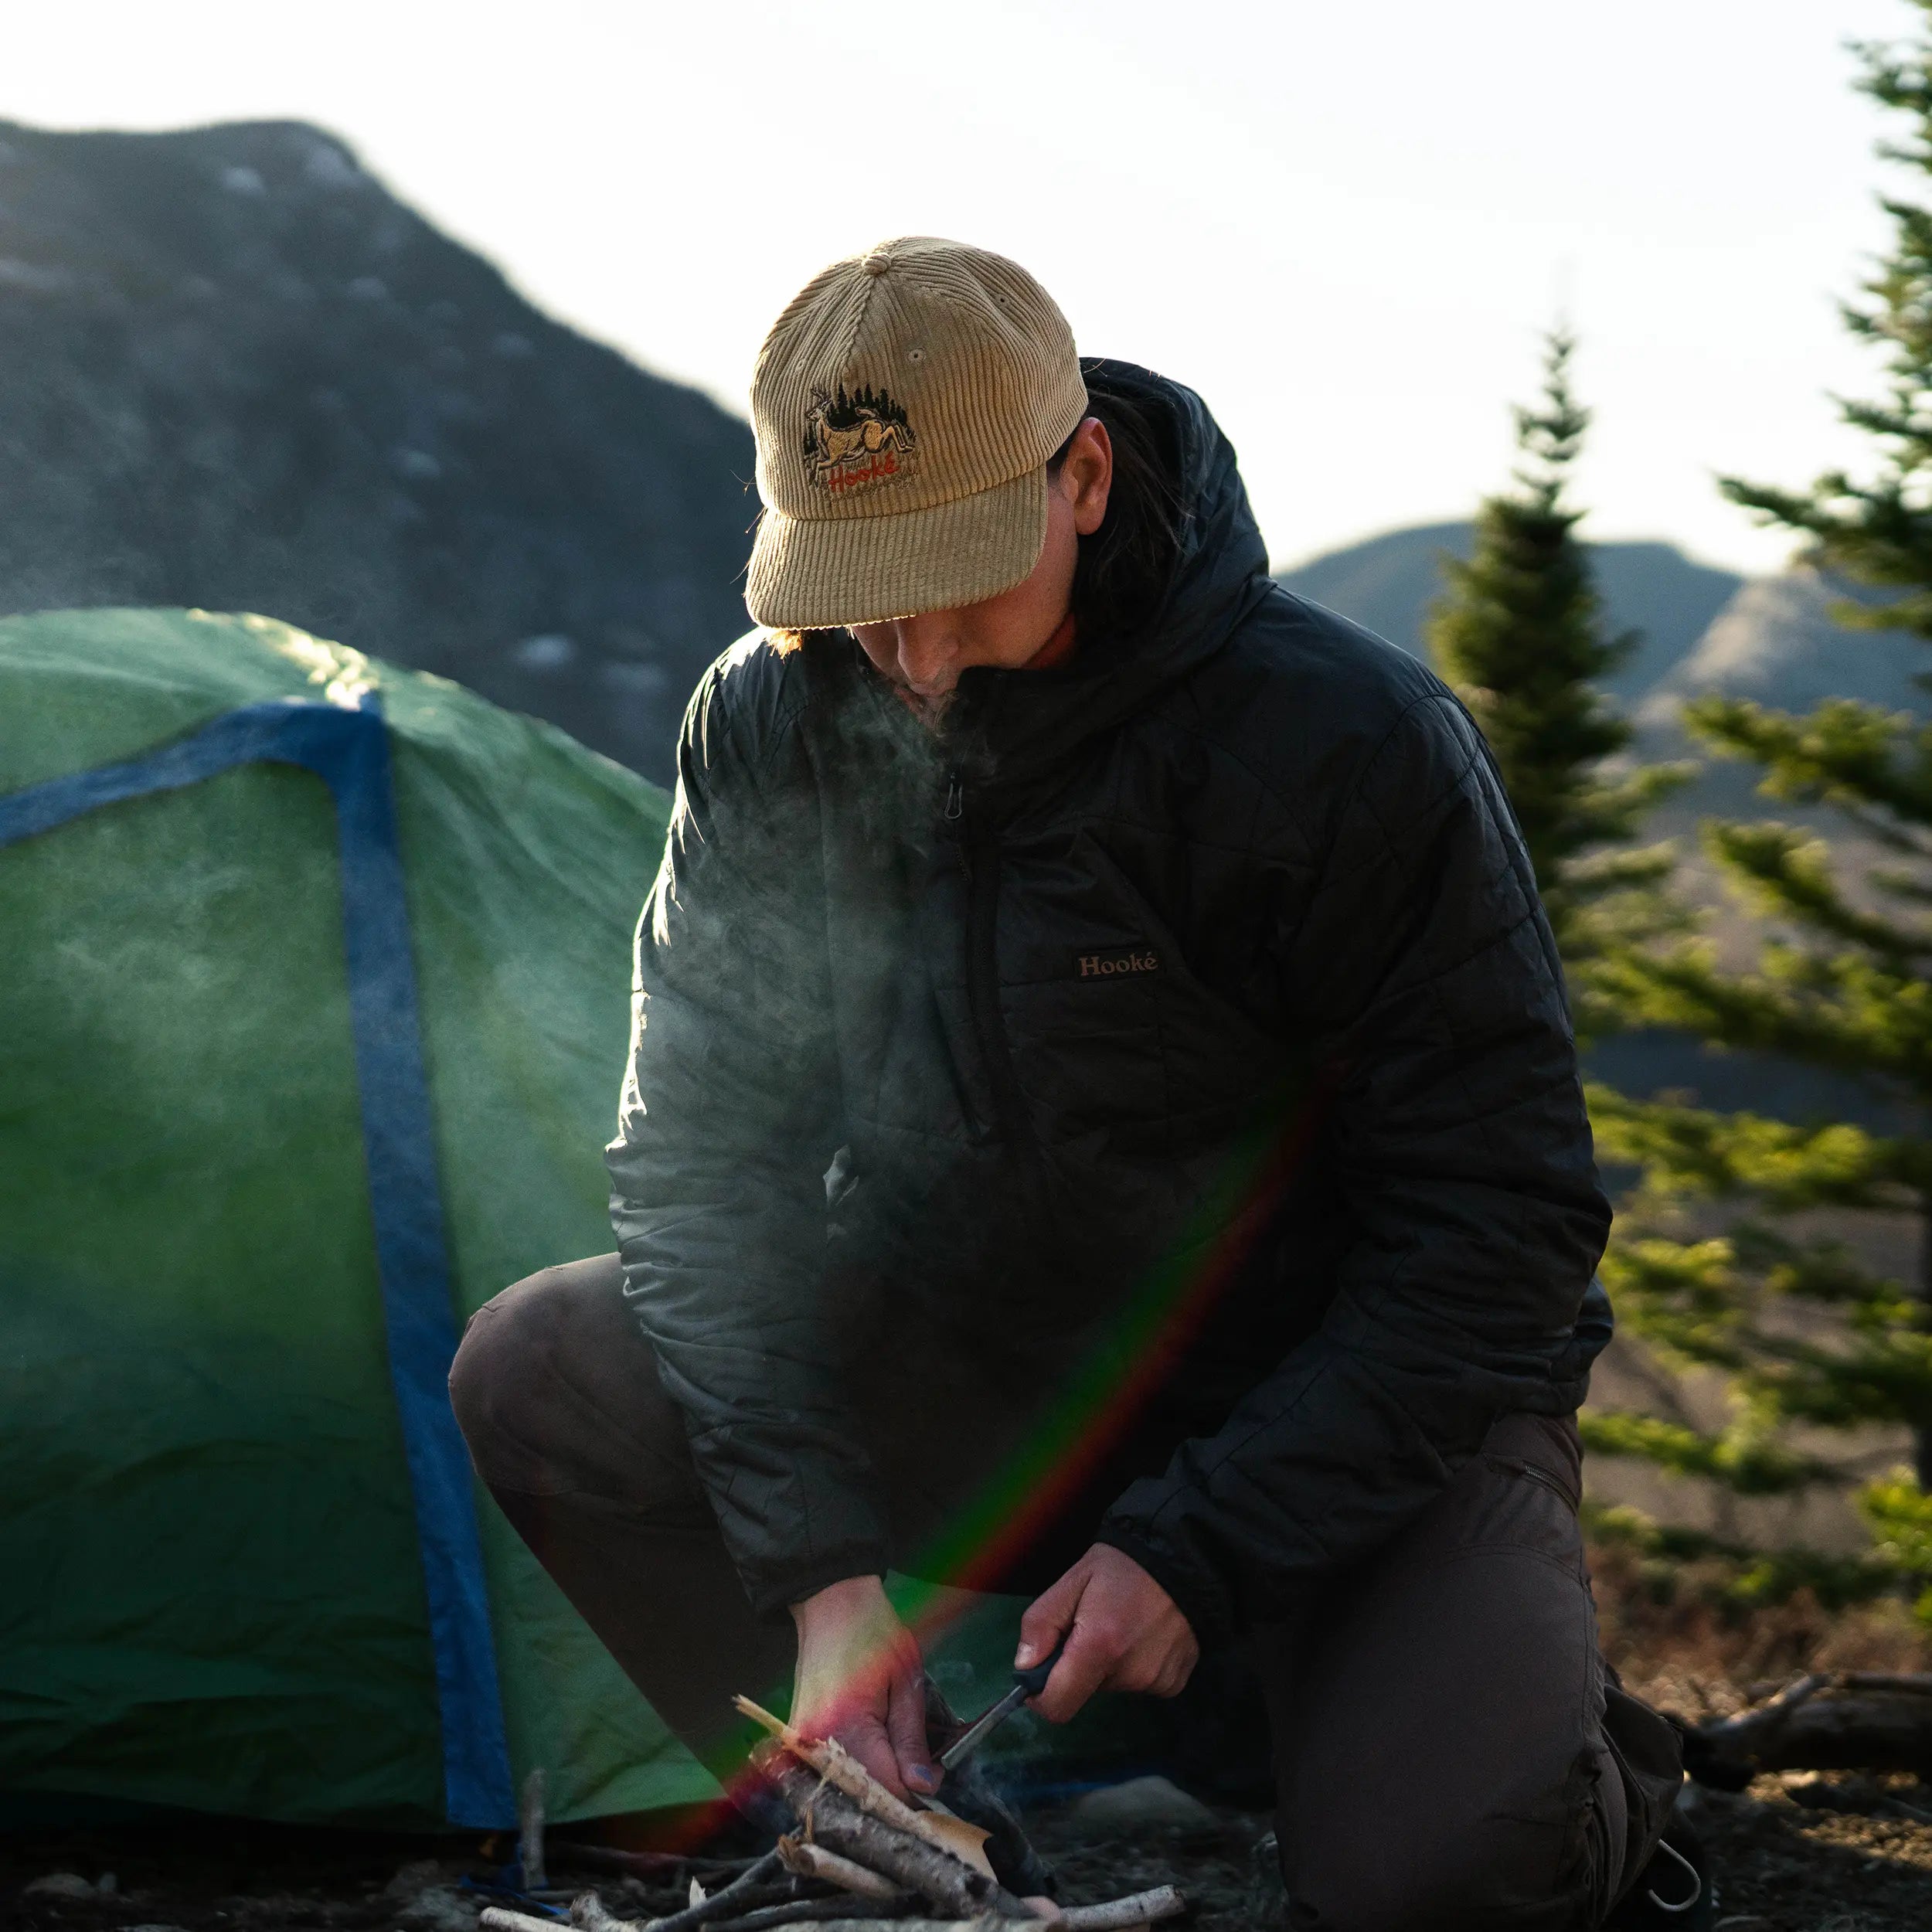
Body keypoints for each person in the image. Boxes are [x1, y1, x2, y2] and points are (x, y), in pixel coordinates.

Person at [451, 237, 1692, 1930]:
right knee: (542, 1366)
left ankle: (1561, 1754)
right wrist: (820, 1583)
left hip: (1330, 1398)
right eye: (856, 579)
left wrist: (1206, 1537)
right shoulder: (767, 719)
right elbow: (700, 1168)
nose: (907, 643)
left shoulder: (1340, 742)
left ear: (1084, 476)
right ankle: (901, 1839)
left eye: (954, 568)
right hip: (976, 1365)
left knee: (1442, 1875)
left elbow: (1503, 1225)